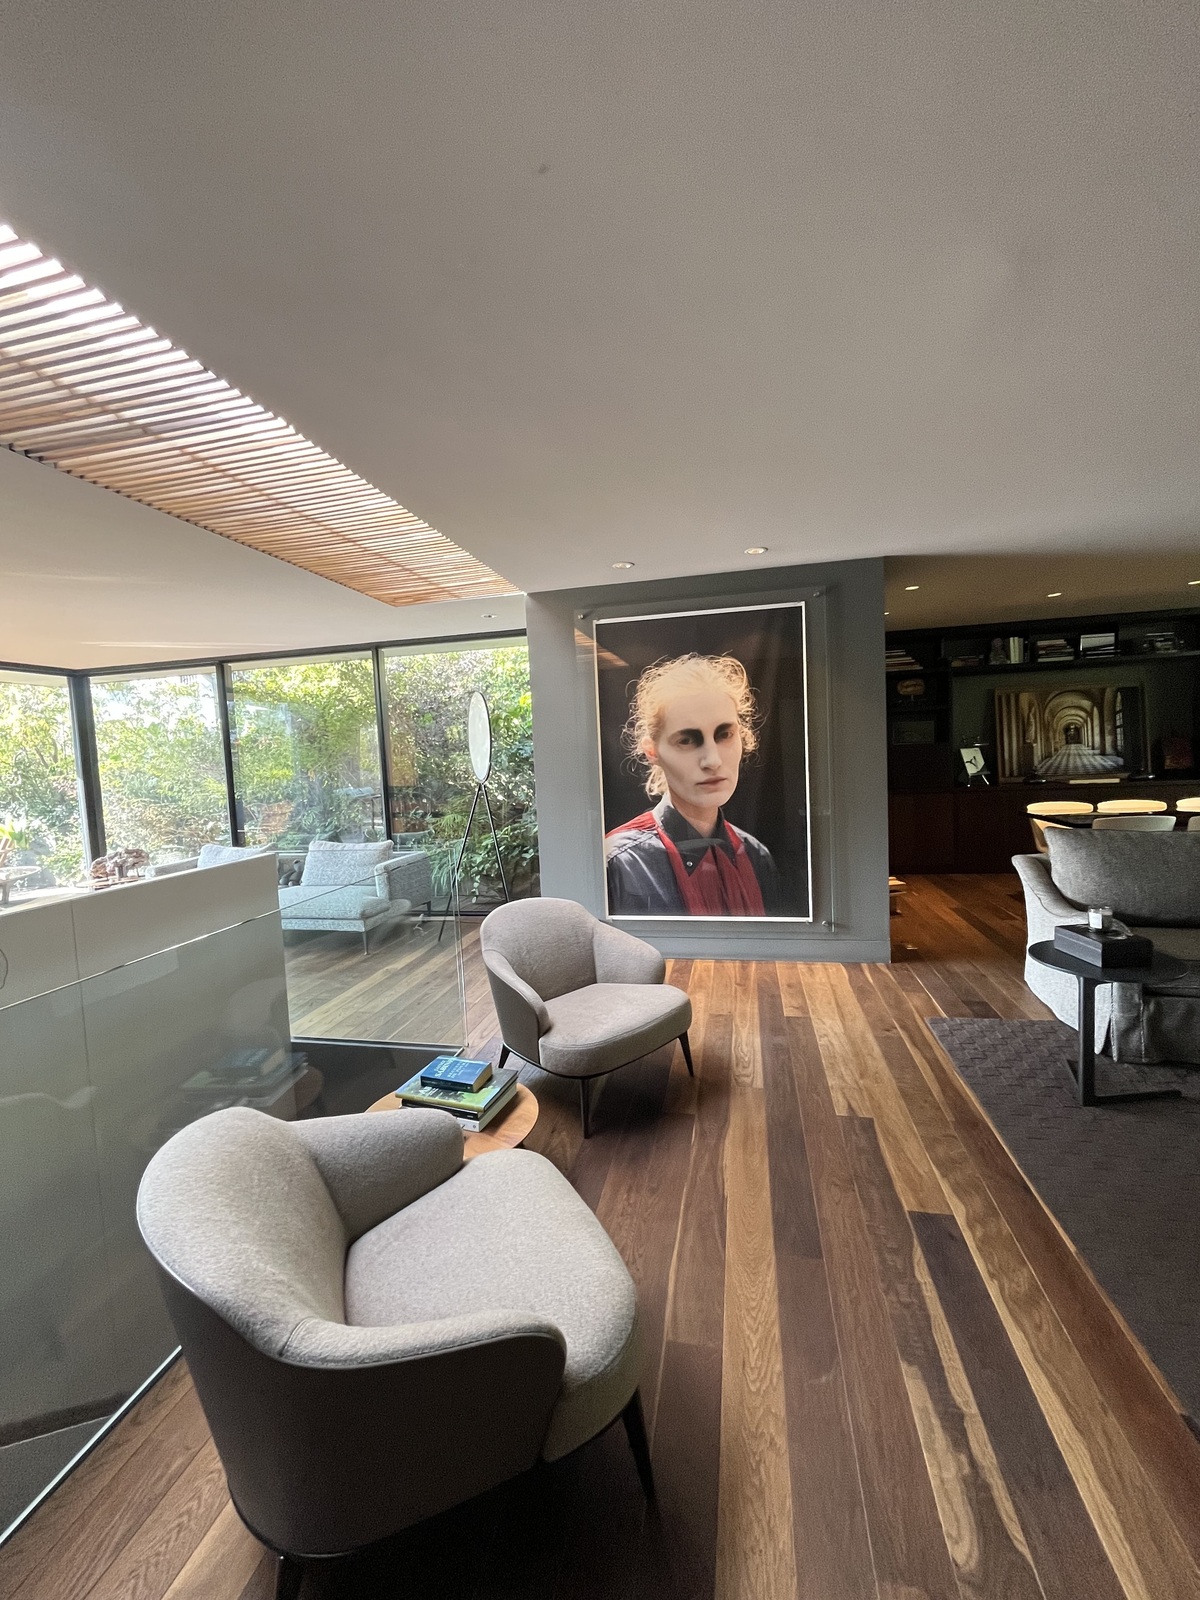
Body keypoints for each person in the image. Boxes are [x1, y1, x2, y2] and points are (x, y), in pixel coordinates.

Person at [605, 653, 781, 916]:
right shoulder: (620, 862)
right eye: (686, 740)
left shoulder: (757, 857)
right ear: (652, 751)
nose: (712, 760)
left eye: (725, 734)